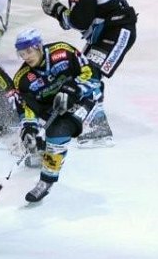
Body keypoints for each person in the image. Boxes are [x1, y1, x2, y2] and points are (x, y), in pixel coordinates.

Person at [40, 0, 137, 147]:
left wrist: (57, 10)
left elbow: (80, 22)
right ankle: (89, 114)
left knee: (90, 73)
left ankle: (99, 128)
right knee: (81, 70)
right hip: (106, 31)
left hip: (118, 31)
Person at [13, 28, 102, 202]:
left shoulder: (63, 52)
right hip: (55, 109)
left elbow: (92, 74)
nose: (26, 57)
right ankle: (45, 155)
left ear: (39, 46)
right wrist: (29, 129)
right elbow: (26, 108)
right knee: (44, 135)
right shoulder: (22, 79)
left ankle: (46, 181)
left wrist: (74, 89)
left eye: (29, 51)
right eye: (22, 54)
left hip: (84, 98)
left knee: (58, 132)